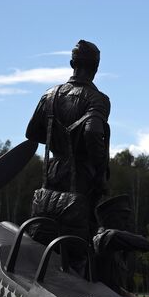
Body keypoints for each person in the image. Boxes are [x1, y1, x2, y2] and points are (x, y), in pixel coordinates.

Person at [25, 40, 111, 263]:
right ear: (96, 68)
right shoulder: (97, 100)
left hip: (51, 175)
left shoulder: (50, 95)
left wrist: (59, 143)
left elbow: (32, 132)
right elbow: (93, 133)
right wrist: (99, 169)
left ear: (72, 63)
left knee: (43, 244)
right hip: (81, 180)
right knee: (79, 252)